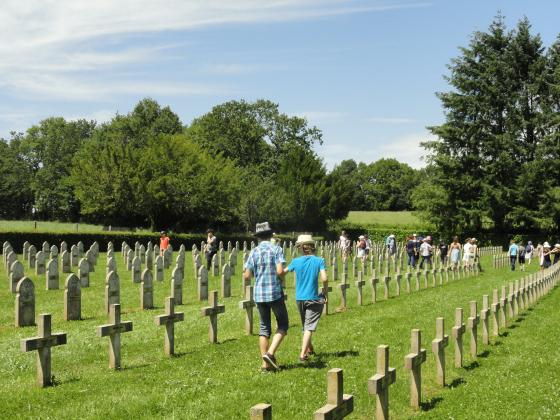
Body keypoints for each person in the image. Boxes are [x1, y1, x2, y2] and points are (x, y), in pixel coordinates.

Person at [243, 222, 288, 372]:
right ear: (270, 235)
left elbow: (247, 276)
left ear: (258, 237)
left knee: (264, 328)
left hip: (259, 294)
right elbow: (280, 271)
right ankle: (270, 353)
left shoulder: (253, 252)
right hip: (274, 292)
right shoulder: (276, 249)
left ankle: (265, 365)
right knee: (283, 325)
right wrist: (281, 278)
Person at [284, 234, 327, 362]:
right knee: (309, 327)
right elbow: (324, 278)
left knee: (305, 325)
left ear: (300, 248)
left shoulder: (295, 262)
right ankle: (303, 354)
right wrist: (324, 292)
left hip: (299, 298)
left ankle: (310, 348)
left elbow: (282, 272)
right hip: (313, 297)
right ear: (313, 247)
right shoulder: (319, 261)